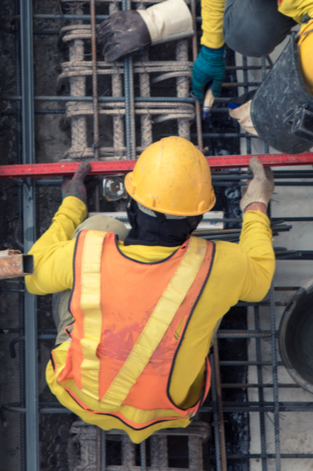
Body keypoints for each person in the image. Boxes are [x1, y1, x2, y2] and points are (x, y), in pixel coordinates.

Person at [25, 136, 275, 442]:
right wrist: (256, 205)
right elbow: (261, 277)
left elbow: (33, 275)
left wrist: (72, 204)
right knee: (210, 293)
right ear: (197, 219)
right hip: (169, 411)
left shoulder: (89, 251)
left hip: (78, 394)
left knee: (100, 228)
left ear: (132, 208)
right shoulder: (220, 264)